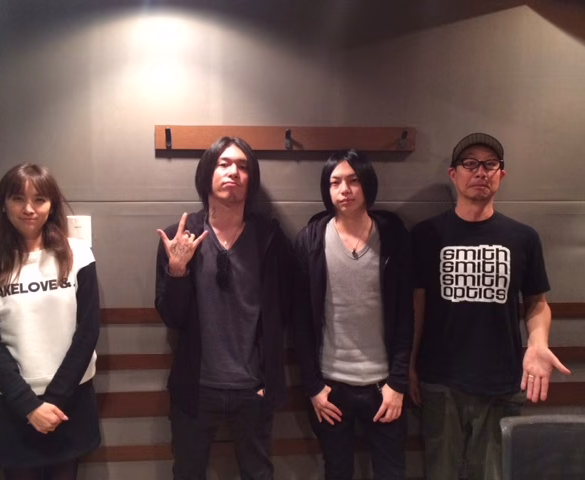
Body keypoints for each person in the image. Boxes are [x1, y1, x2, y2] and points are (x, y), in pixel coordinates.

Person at [409, 133, 571, 480]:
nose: (480, 171)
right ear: (454, 174)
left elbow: (537, 302)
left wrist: (538, 342)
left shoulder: (523, 237)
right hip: (440, 381)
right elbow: (417, 305)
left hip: (501, 382)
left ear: (501, 174)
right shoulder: (426, 235)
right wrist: (409, 364)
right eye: (470, 164)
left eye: (490, 164)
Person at [154, 136, 293, 480]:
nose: (234, 172)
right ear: (207, 174)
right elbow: (172, 318)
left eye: (243, 166)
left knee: (259, 473)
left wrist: (268, 376)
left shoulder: (269, 238)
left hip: (253, 388)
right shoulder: (180, 238)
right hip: (196, 386)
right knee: (187, 473)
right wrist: (177, 270)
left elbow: (286, 308)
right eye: (224, 164)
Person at [0, 164, 101, 480]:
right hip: (12, 404)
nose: (29, 209)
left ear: (51, 205)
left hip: (70, 399)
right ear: (3, 204)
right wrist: (29, 406)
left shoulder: (78, 255)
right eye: (18, 199)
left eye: (39, 199)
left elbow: (88, 330)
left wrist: (54, 401)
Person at [293, 149, 413, 480]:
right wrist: (313, 387)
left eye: (353, 180)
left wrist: (398, 383)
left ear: (367, 185)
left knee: (391, 473)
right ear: (327, 189)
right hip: (331, 388)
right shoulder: (310, 241)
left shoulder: (393, 237)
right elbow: (300, 321)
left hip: (384, 387)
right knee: (337, 471)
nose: (344, 189)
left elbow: (405, 314)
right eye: (335, 182)